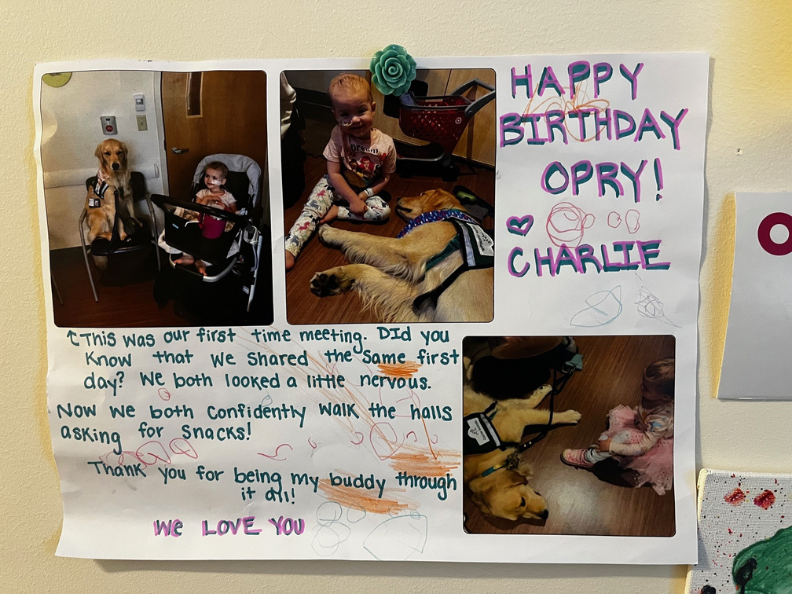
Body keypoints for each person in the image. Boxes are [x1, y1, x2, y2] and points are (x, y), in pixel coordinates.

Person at [284, 73, 394, 271]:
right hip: (336, 184)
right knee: (311, 210)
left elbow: (386, 177)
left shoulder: (386, 144)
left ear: (373, 108)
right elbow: (333, 173)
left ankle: (339, 212)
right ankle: (291, 246)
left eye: (361, 111)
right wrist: (352, 199)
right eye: (345, 114)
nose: (355, 120)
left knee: (384, 212)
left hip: (365, 191)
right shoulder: (337, 134)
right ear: (335, 115)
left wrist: (363, 196)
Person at [561, 357, 675, 495]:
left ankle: (589, 458)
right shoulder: (654, 397)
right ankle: (606, 449)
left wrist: (612, 447)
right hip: (644, 426)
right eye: (642, 383)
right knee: (616, 425)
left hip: (651, 441)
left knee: (623, 436)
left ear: (665, 398)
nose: (641, 387)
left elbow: (642, 448)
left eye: (646, 388)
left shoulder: (660, 421)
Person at [159, 162, 237, 276]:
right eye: (207, 176)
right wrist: (207, 199)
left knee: (229, 244)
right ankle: (187, 256)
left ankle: (203, 262)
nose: (209, 179)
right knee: (185, 231)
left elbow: (234, 214)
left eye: (214, 178)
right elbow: (195, 210)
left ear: (223, 181)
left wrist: (224, 207)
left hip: (218, 226)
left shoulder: (228, 196)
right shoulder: (202, 193)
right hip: (201, 222)